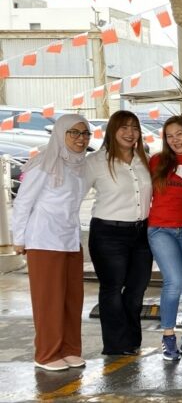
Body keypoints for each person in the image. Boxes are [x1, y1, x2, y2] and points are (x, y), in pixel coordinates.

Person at [12, 114, 90, 371]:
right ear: (60, 133)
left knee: (72, 299)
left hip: (70, 240)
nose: (80, 139)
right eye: (74, 133)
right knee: (49, 301)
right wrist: (19, 239)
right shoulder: (43, 163)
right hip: (44, 240)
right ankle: (46, 354)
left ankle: (69, 349)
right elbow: (23, 202)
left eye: (85, 133)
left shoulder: (79, 165)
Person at [83, 110, 152, 356]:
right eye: (124, 127)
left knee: (137, 290)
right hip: (108, 234)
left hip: (142, 233)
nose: (130, 133)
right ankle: (115, 345)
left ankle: (132, 341)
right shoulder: (95, 162)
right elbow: (73, 196)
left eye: (134, 128)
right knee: (112, 289)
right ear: (112, 130)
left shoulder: (144, 159)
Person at [148, 116, 182, 361]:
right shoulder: (157, 161)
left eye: (179, 134)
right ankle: (168, 335)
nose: (175, 140)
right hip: (161, 229)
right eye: (169, 136)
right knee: (174, 281)